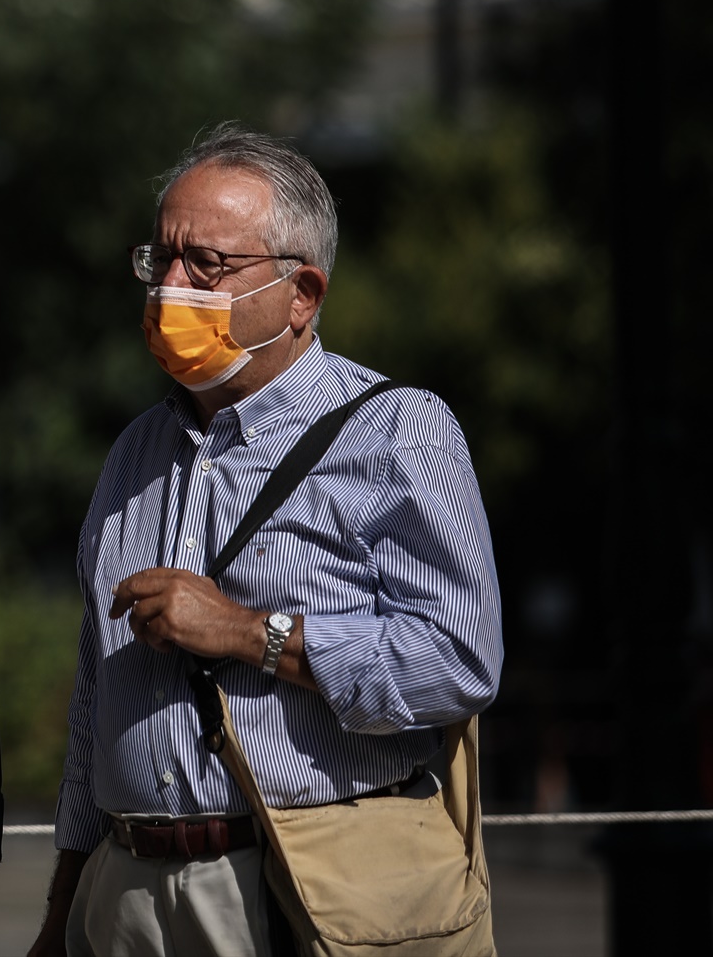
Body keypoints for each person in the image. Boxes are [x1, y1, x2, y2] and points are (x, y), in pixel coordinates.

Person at [28, 124, 503, 957]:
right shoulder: (135, 450)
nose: (171, 287)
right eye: (160, 260)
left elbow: (459, 660)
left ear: (303, 294)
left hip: (314, 883)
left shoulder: (398, 431)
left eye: (207, 264)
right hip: (129, 891)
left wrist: (250, 632)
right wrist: (64, 914)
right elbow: (93, 702)